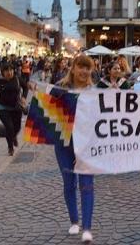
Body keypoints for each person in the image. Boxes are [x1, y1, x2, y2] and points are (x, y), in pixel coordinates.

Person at [50, 55, 96, 243]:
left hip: (87, 144)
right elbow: (45, 109)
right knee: (69, 183)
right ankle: (74, 221)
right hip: (64, 144)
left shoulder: (95, 92)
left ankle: (87, 228)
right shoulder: (60, 89)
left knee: (87, 184)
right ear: (73, 68)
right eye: (81, 67)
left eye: (88, 68)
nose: (84, 71)